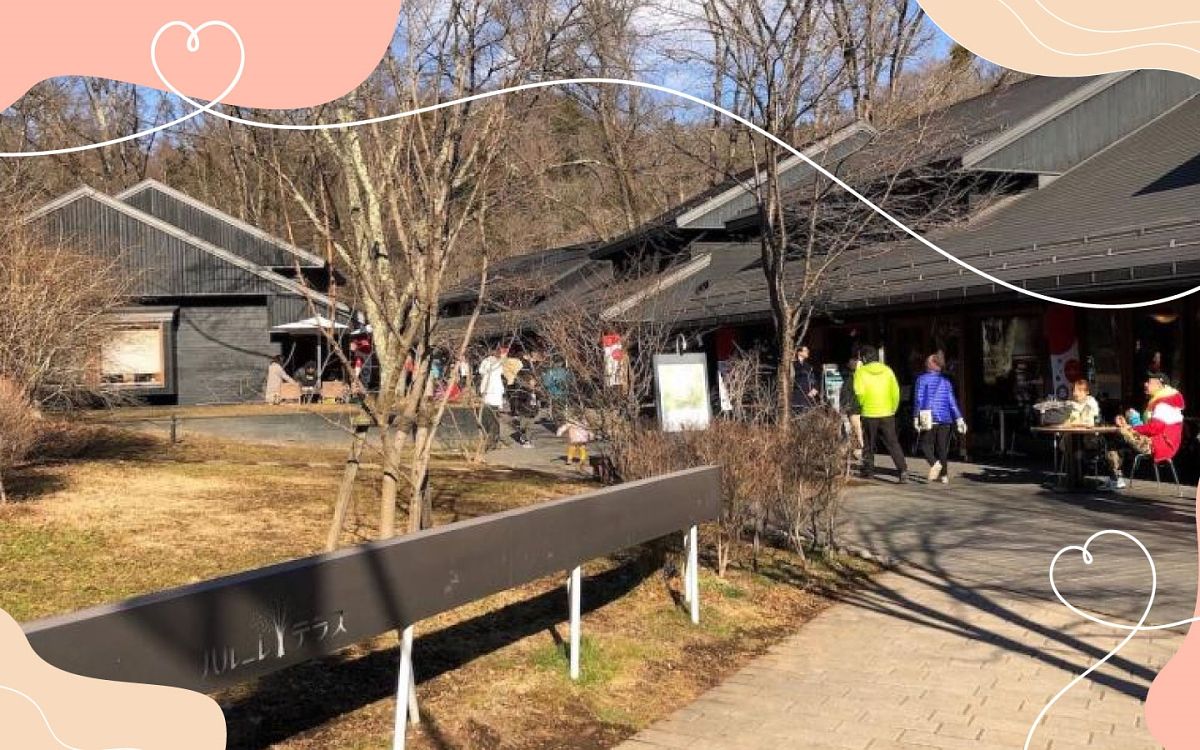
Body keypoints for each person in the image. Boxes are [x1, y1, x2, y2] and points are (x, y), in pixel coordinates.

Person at [1104, 371, 1185, 490]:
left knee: (1118, 435)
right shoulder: (1159, 401)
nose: (1145, 384)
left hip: (1159, 444)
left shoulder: (1164, 404)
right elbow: (1150, 427)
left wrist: (1130, 428)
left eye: (1149, 382)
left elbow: (1154, 428)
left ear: (1159, 385)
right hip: (1155, 441)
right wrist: (1129, 424)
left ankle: (1115, 478)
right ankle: (1115, 478)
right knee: (1118, 440)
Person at [853, 344, 909, 482]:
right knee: (893, 443)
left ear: (864, 358)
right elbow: (895, 392)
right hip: (887, 412)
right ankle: (903, 470)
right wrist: (893, 408)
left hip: (869, 412)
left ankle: (868, 471)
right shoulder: (888, 370)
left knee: (869, 444)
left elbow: (859, 392)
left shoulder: (861, 372)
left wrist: (863, 405)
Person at [912, 353, 967, 484]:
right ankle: (944, 476)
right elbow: (952, 402)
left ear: (931, 364)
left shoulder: (921, 379)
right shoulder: (946, 381)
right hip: (945, 418)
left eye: (927, 362)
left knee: (925, 445)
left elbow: (919, 399)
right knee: (942, 448)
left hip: (928, 416)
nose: (925, 363)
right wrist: (959, 418)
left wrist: (915, 416)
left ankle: (935, 463)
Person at [839, 350, 864, 461]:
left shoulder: (851, 378)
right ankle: (854, 449)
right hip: (853, 406)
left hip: (852, 406)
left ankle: (857, 450)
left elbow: (846, 393)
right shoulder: (853, 378)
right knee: (854, 428)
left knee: (854, 428)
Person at [507, 372, 540, 447]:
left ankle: (527, 441)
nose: (534, 382)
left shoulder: (535, 391)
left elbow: (538, 400)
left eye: (535, 381)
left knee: (529, 427)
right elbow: (518, 399)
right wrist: (516, 411)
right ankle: (523, 437)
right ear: (528, 381)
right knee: (523, 427)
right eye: (532, 381)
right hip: (524, 411)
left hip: (532, 412)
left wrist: (536, 409)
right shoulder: (523, 390)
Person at [478, 345, 509, 411]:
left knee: (496, 400)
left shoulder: (502, 362)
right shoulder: (488, 360)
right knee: (488, 401)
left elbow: (503, 372)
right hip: (488, 382)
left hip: (497, 383)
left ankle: (496, 411)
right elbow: (481, 370)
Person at [540, 357, 572, 421]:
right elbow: (570, 381)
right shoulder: (566, 371)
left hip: (554, 392)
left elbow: (546, 383)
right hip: (563, 393)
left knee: (555, 405)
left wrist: (544, 377)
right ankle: (562, 417)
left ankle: (556, 418)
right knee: (562, 405)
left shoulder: (551, 372)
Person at [791, 344, 819, 413]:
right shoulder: (793, 365)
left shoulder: (808, 366)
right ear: (799, 353)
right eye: (805, 350)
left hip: (807, 396)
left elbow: (813, 380)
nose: (808, 351)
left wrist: (814, 390)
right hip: (796, 396)